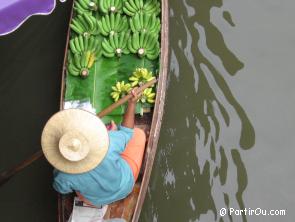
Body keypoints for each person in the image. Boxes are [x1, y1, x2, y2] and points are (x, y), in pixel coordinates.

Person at [41, 89, 146, 207]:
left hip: (96, 200)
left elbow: (61, 189)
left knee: (79, 189)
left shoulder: (62, 175)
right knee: (138, 134)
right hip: (124, 185)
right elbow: (127, 132)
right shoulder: (108, 143)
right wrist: (132, 103)